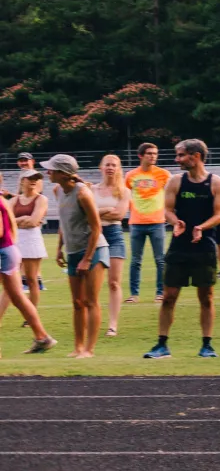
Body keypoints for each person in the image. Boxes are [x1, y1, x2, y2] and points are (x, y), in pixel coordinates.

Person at [147, 140, 220, 359]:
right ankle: (162, 345)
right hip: (179, 246)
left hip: (205, 247)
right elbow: (168, 210)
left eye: (181, 155)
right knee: (169, 296)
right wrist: (176, 223)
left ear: (196, 156)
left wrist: (202, 227)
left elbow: (219, 214)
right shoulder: (175, 181)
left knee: (206, 297)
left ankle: (207, 345)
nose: (177, 159)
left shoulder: (216, 183)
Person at [46, 154, 109, 358]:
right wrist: (59, 248)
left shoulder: (83, 194)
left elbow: (96, 227)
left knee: (91, 301)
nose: (48, 172)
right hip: (73, 252)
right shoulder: (58, 190)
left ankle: (89, 350)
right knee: (77, 302)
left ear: (63, 174)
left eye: (52, 169)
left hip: (93, 251)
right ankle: (78, 347)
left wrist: (87, 259)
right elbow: (65, 224)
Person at [0, 177, 59, 356]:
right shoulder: (3, 200)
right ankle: (42, 338)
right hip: (8, 251)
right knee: (18, 297)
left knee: (18, 296)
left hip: (3, 252)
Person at [124, 142, 170, 303]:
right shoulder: (130, 176)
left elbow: (171, 193)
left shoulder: (164, 175)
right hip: (136, 223)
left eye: (155, 153)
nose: (153, 156)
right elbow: (125, 194)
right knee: (136, 260)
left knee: (160, 259)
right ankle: (134, 294)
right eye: (149, 153)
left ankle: (160, 292)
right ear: (141, 156)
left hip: (157, 222)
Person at [93, 154, 130, 337]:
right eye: (107, 164)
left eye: (114, 165)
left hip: (114, 235)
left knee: (114, 282)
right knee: (94, 283)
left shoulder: (124, 191)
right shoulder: (91, 190)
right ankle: (92, 319)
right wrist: (106, 210)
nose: (110, 168)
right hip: (95, 235)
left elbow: (119, 215)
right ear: (101, 167)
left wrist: (98, 213)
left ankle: (113, 325)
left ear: (118, 168)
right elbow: (87, 214)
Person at [11, 170, 48, 318]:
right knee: (12, 280)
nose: (33, 181)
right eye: (30, 178)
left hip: (32, 241)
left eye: (36, 178)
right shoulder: (14, 200)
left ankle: (31, 316)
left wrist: (17, 221)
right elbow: (6, 222)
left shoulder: (41, 199)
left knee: (32, 280)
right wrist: (24, 219)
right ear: (22, 181)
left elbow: (34, 221)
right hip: (15, 240)